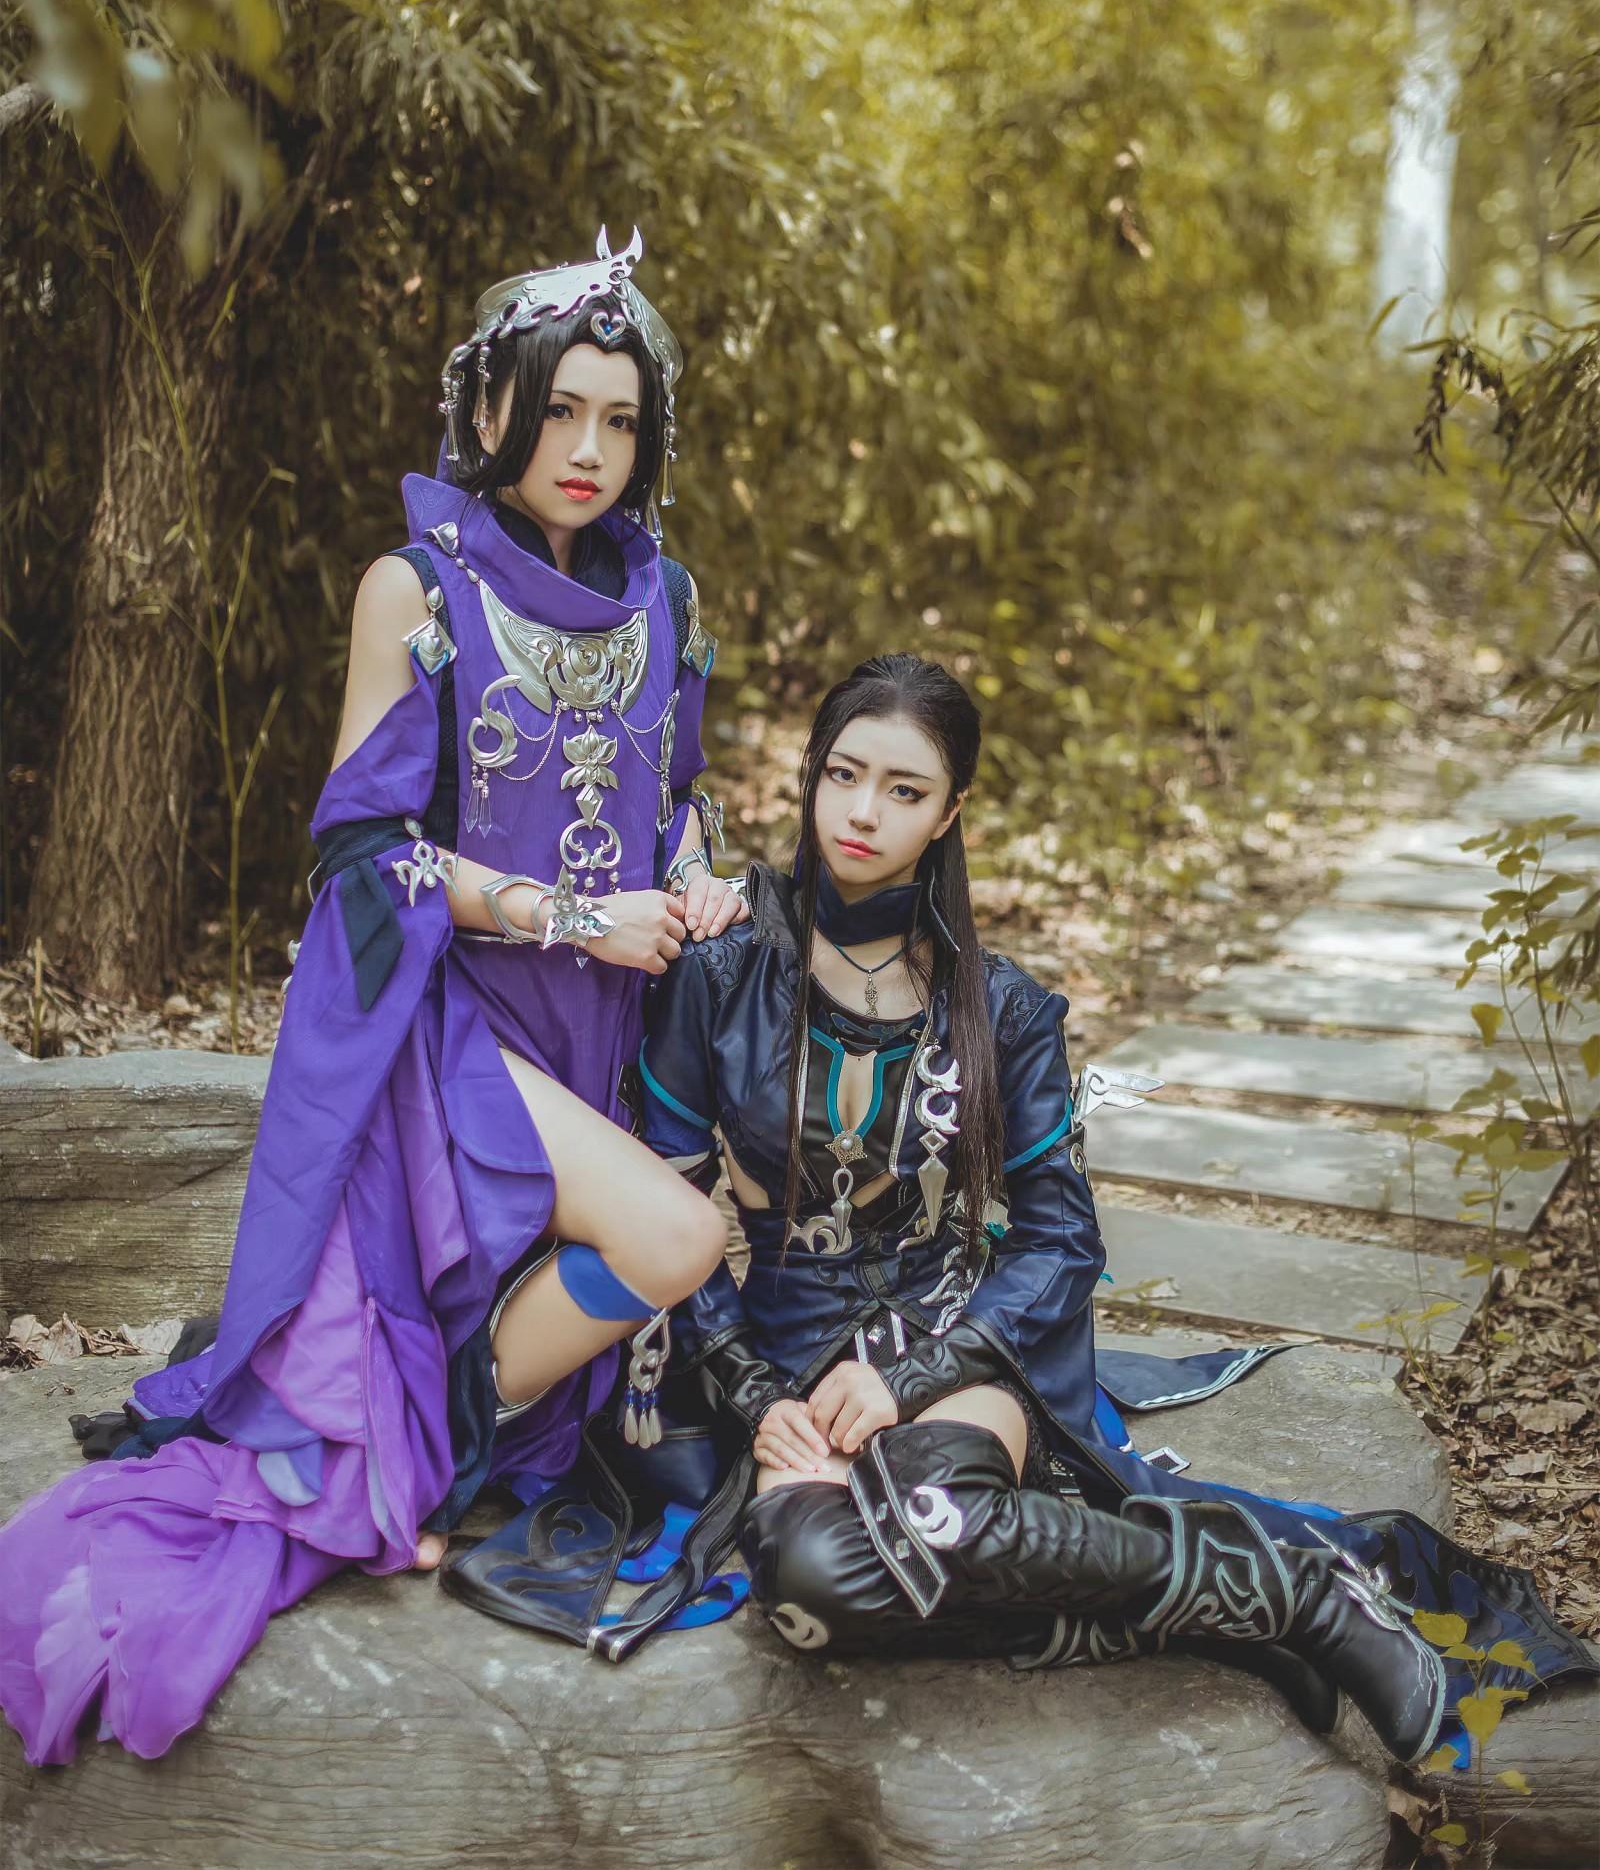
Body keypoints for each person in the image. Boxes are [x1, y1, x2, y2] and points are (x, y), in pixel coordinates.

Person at [0, 227, 743, 1766]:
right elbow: (365, 851)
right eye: (558, 409)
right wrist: (570, 915)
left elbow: (674, 798)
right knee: (677, 1237)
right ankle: (427, 1451)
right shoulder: (417, 585)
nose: (587, 448)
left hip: (597, 1028)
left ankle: (436, 1435)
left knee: (646, 1273)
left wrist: (697, 879)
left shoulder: (665, 597)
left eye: (619, 419)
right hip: (449, 1028)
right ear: (489, 409)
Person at [633, 652, 1596, 1764]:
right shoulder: (720, 970)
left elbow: (1059, 1240)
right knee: (809, 1586)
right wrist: (755, 1395)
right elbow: (666, 1205)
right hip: (793, 1367)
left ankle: (1315, 1602)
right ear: (809, 773)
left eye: (904, 789)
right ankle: (1260, 1603)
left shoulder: (1002, 1007)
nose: (862, 812)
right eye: (843, 774)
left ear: (950, 812)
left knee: (926, 1520)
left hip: (953, 1351)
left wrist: (912, 1375)